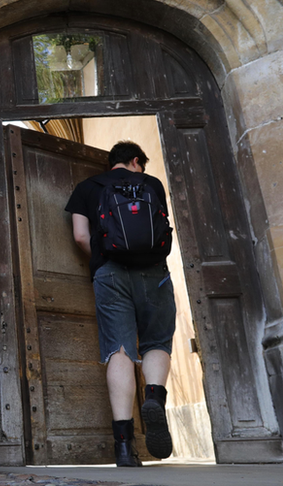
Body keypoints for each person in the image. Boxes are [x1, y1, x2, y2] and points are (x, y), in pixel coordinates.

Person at [64, 140, 175, 467]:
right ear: (136, 161)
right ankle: (154, 396)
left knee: (120, 348)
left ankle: (125, 448)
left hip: (110, 273)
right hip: (154, 272)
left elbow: (81, 236)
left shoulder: (86, 187)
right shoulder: (151, 184)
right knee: (157, 340)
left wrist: (102, 258)